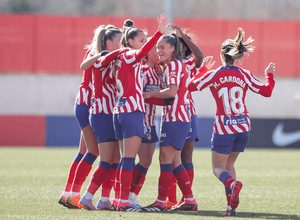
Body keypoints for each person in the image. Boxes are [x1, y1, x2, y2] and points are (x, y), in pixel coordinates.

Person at [187, 28, 276, 216]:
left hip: (224, 127)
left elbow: (191, 86)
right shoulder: (244, 74)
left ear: (221, 55)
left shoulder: (215, 74)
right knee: (229, 166)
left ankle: (232, 185)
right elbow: (267, 91)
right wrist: (269, 75)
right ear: (239, 58)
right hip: (243, 126)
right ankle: (231, 208)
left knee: (218, 169)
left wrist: (203, 69)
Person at [111, 14, 168, 212]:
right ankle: (122, 198)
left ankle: (126, 198)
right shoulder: (134, 62)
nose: (155, 51)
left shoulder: (154, 70)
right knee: (128, 159)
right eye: (151, 46)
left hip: (137, 115)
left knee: (141, 161)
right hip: (134, 113)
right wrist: (159, 33)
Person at [142, 32, 197, 212]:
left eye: (162, 47)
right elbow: (170, 93)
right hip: (178, 117)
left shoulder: (173, 65)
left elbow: (171, 92)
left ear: (173, 49)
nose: (159, 51)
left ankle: (160, 202)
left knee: (165, 158)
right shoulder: (174, 65)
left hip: (175, 118)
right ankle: (189, 199)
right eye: (157, 47)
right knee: (174, 161)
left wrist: (149, 94)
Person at [74, 25, 127, 210]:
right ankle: (85, 197)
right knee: (104, 159)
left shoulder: (117, 59)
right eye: (120, 42)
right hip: (102, 113)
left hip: (111, 114)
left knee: (115, 160)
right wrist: (100, 54)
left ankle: (104, 200)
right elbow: (85, 65)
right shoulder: (101, 58)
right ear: (108, 42)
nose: (123, 45)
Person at [166, 24, 204, 209]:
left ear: (184, 47)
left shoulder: (188, 62)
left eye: (177, 43)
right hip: (170, 113)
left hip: (187, 112)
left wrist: (182, 35)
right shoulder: (167, 63)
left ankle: (185, 198)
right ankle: (171, 199)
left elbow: (200, 57)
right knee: (171, 156)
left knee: (184, 157)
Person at [59, 43, 99, 209]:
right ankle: (74, 195)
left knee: (83, 151)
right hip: (90, 104)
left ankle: (67, 193)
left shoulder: (93, 51)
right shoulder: (102, 53)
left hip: (83, 102)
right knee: (94, 151)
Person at [128, 42, 163, 209]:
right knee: (137, 159)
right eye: (156, 49)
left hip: (151, 122)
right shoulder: (142, 71)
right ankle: (125, 195)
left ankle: (132, 196)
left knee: (147, 161)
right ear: (148, 54)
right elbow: (137, 95)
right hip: (140, 121)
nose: (159, 52)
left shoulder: (159, 72)